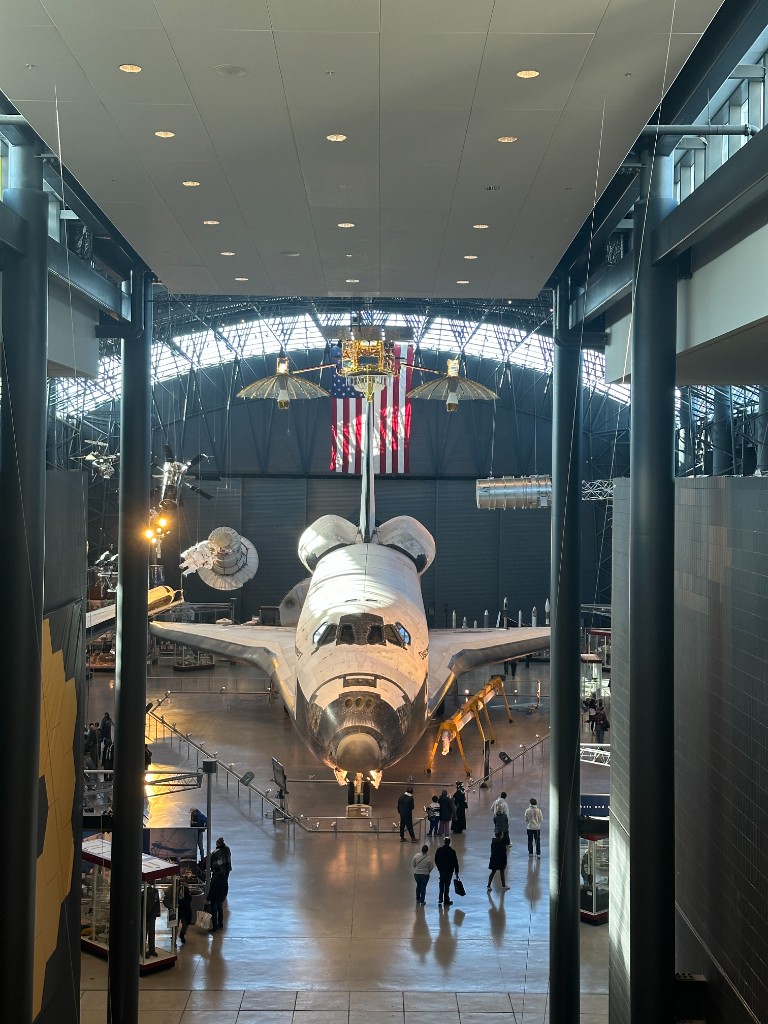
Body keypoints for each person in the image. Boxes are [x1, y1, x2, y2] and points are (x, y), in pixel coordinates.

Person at [434, 836, 460, 906]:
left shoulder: (439, 850)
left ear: (444, 842)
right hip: (449, 871)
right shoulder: (452, 851)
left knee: (441, 884)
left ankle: (440, 898)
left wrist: (439, 867)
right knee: (447, 885)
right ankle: (446, 900)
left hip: (442, 870)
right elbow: (455, 862)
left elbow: (436, 859)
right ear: (449, 843)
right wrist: (456, 872)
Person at [207, 864, 228, 932]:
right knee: (220, 910)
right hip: (221, 897)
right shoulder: (224, 876)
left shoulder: (214, 878)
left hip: (214, 898)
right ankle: (220, 924)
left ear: (214, 870)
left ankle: (214, 927)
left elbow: (211, 890)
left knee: (214, 912)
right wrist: (224, 895)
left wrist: (208, 899)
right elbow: (226, 887)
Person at [144, 882, 161, 956]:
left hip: (150, 916)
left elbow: (157, 902)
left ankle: (151, 950)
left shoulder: (155, 892)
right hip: (146, 916)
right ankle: (143, 950)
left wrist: (157, 913)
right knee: (145, 933)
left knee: (151, 933)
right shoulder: (144, 892)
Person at [176, 873, 193, 944]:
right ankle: (179, 935)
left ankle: (179, 935)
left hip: (181, 910)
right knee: (182, 924)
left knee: (180, 924)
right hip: (182, 910)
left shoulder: (184, 893)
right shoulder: (177, 891)